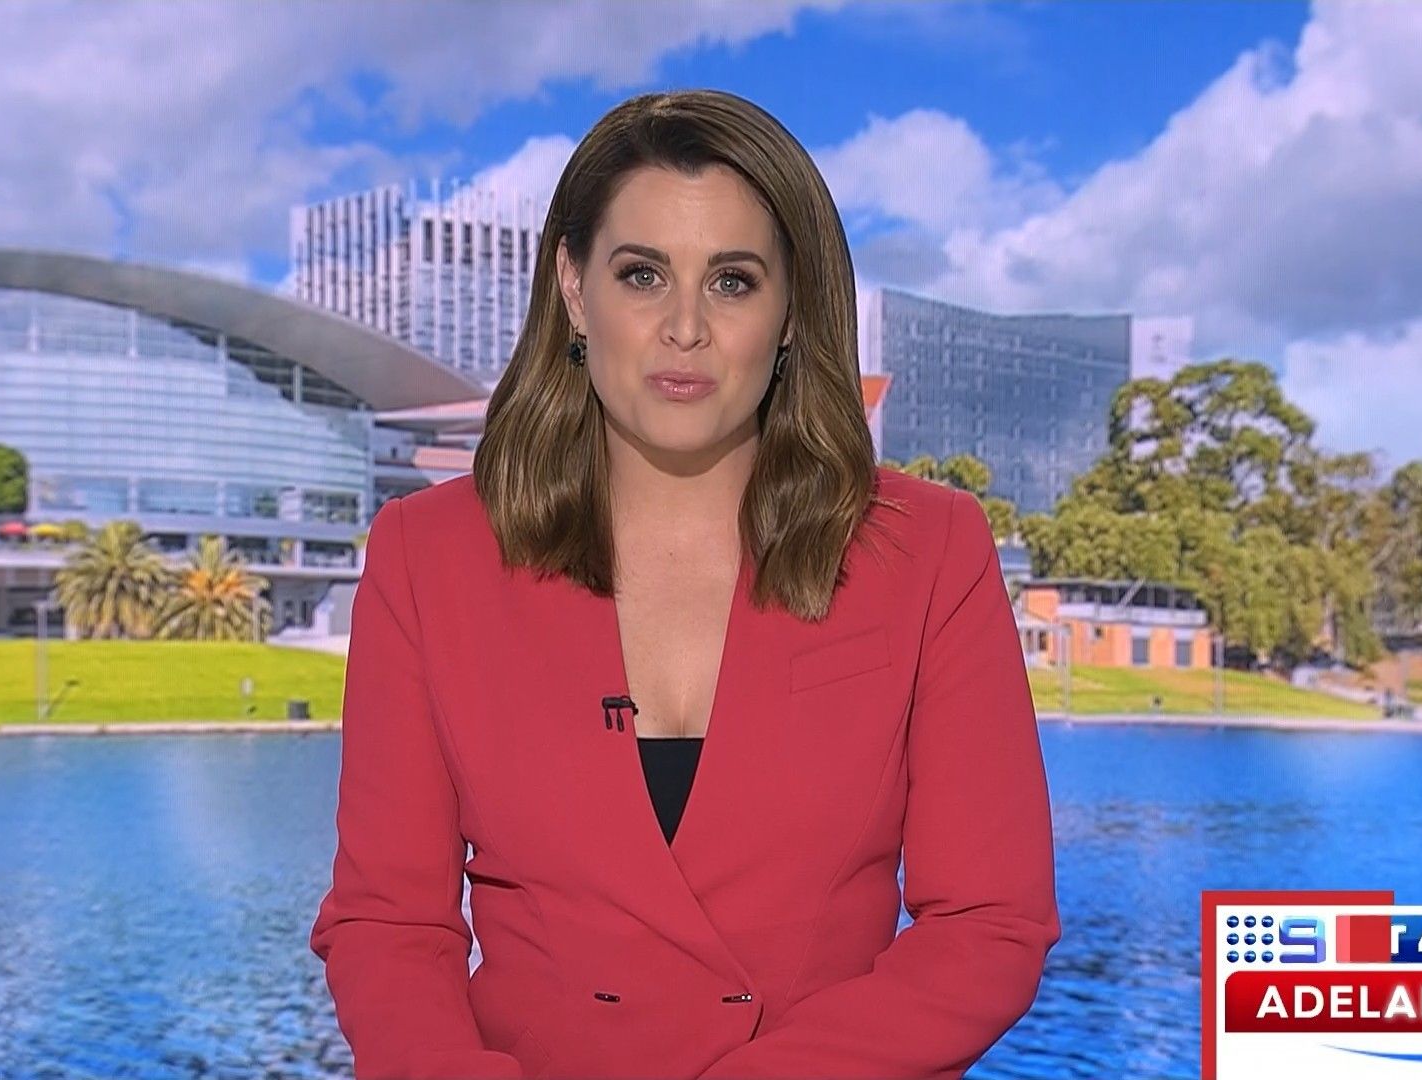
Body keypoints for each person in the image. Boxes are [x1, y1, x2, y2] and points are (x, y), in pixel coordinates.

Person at [308, 88, 1060, 1079]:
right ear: (575, 289)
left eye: (734, 282)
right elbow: (388, 923)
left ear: (790, 314)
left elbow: (989, 924)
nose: (685, 328)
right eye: (643, 274)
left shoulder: (930, 551)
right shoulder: (425, 555)